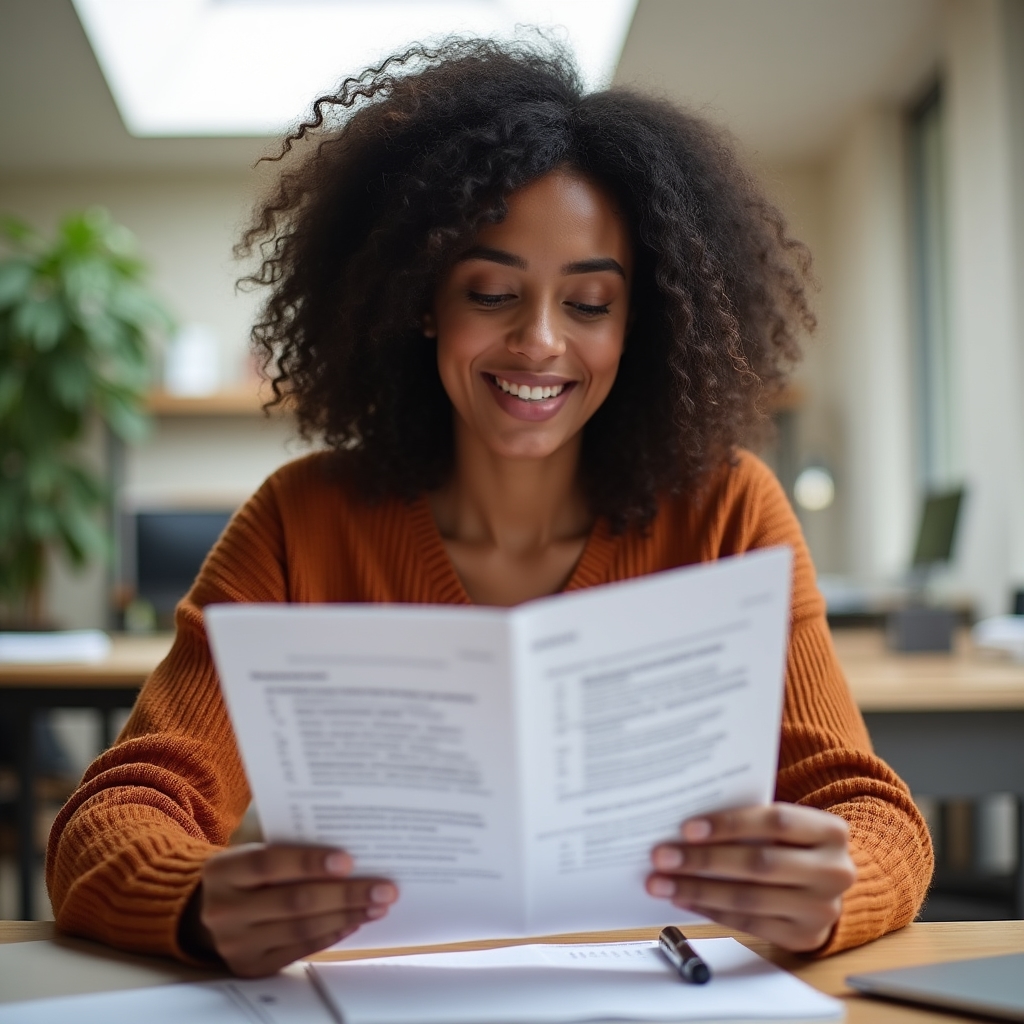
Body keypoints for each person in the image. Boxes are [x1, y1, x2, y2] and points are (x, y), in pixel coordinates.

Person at [46, 39, 933, 978]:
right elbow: (110, 819)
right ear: (424, 298)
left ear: (641, 324)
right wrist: (195, 902)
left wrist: (837, 884)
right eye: (493, 292)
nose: (539, 342)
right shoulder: (297, 525)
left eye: (589, 303)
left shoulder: (730, 514)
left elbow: (876, 821)